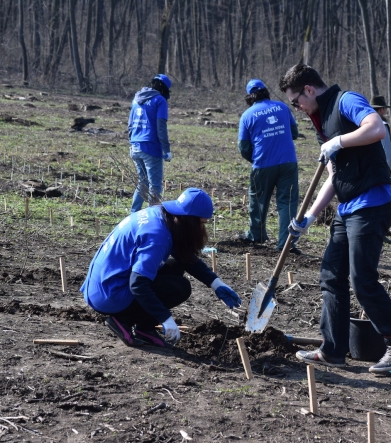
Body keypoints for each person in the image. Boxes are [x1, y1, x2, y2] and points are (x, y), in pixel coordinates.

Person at [279, 64, 391, 373]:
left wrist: (339, 141)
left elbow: (376, 127)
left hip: (371, 204)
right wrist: (310, 216)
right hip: (347, 208)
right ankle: (332, 350)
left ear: (309, 90)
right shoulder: (321, 120)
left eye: (295, 100)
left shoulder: (346, 101)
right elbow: (334, 177)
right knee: (331, 275)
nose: (297, 108)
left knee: (362, 279)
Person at [81, 188, 242, 347]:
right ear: (189, 221)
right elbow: (137, 284)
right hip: (108, 295)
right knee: (180, 288)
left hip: (105, 283)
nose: (202, 229)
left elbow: (184, 257)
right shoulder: (157, 236)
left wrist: (216, 283)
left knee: (175, 267)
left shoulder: (163, 216)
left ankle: (144, 328)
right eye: (201, 223)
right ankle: (123, 320)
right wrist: (165, 318)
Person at [236, 79, 300, 253]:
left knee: (258, 200)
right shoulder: (283, 107)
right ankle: (286, 244)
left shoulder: (247, 115)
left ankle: (256, 235)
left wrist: (255, 158)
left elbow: (243, 147)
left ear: (249, 97)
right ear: (266, 91)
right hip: (288, 162)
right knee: (287, 203)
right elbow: (294, 133)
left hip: (262, 164)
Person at [128, 74, 173, 212]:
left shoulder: (137, 98)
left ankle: (133, 214)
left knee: (143, 183)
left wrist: (132, 141)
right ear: (165, 89)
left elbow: (130, 124)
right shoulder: (159, 100)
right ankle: (152, 217)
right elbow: (161, 126)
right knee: (155, 186)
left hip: (135, 145)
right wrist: (166, 149)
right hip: (150, 147)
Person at [371, 95, 391, 183]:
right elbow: (387, 149)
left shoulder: (362, 124)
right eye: (385, 108)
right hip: (381, 170)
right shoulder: (382, 125)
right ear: (381, 109)